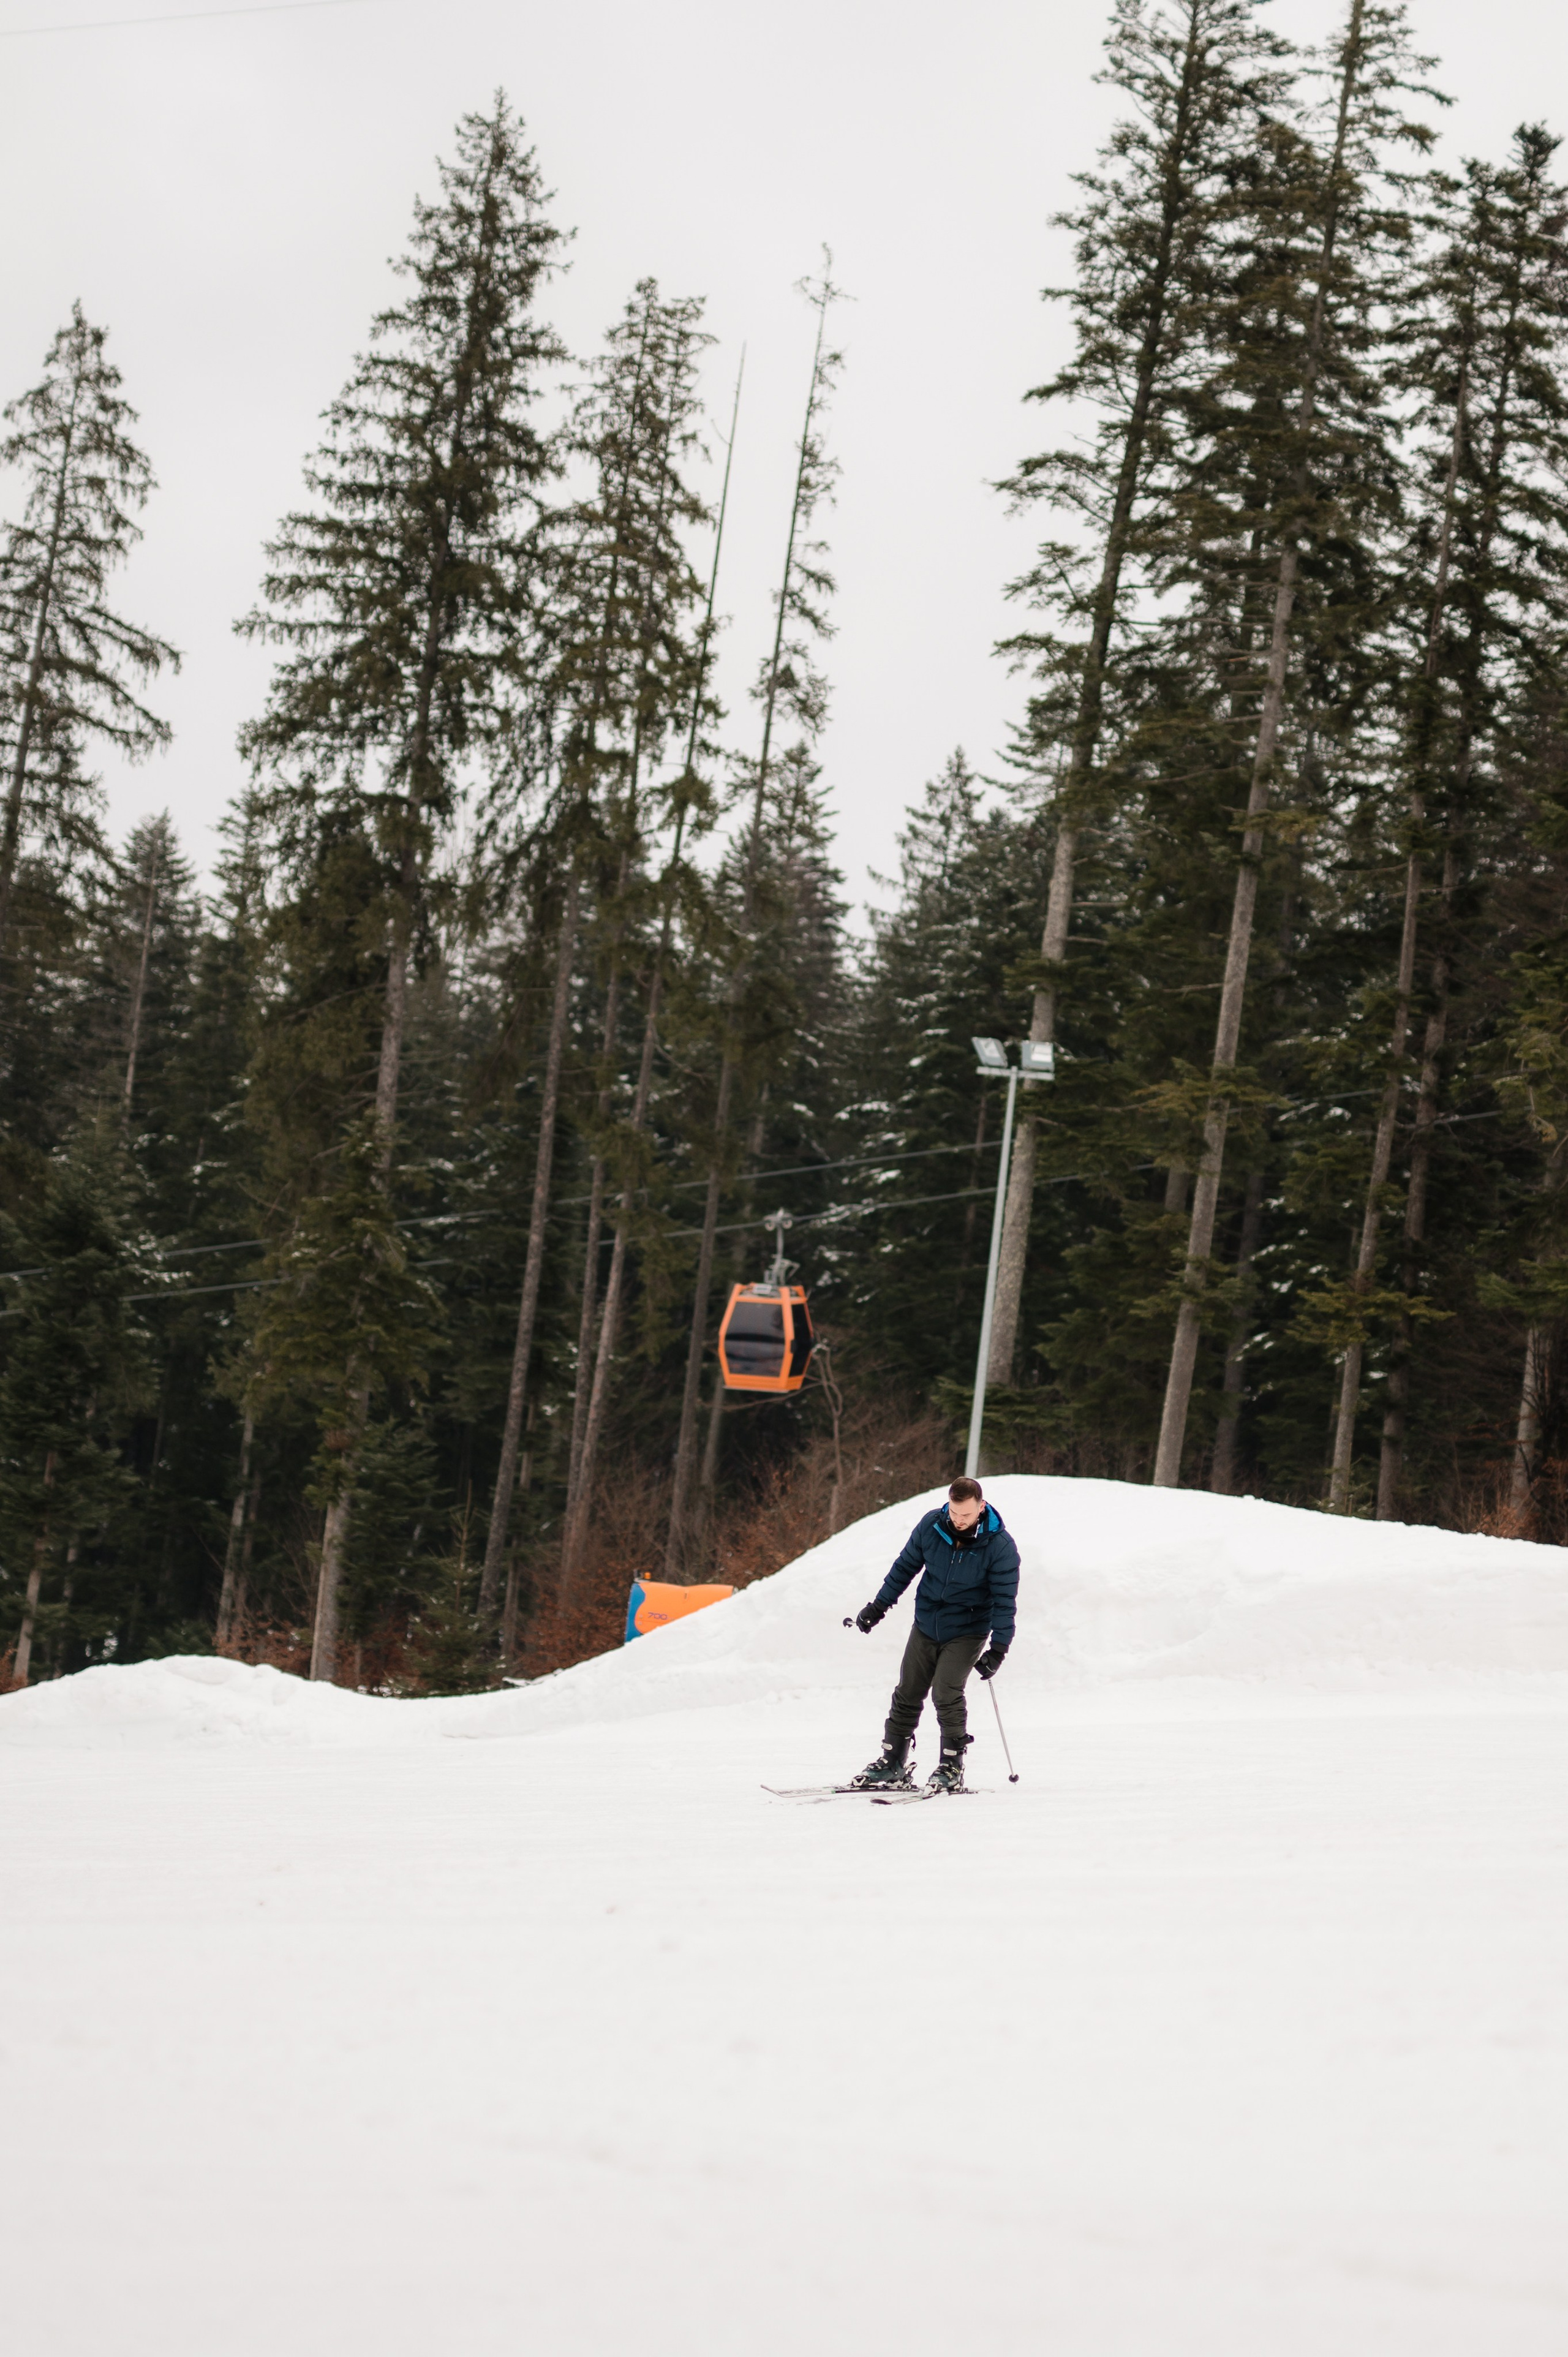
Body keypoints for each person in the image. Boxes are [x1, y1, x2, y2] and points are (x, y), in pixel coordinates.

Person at [848, 1475, 1019, 1791]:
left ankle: (951, 1766)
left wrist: (998, 1650)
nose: (959, 1520)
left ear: (981, 1507)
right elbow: (904, 1568)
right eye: (954, 1513)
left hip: (967, 1629)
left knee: (945, 1692)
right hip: (927, 1622)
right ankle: (892, 1762)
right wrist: (878, 1607)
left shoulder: (1000, 1547)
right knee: (908, 1691)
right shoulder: (932, 1526)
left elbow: (1005, 1603)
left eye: (966, 1515)